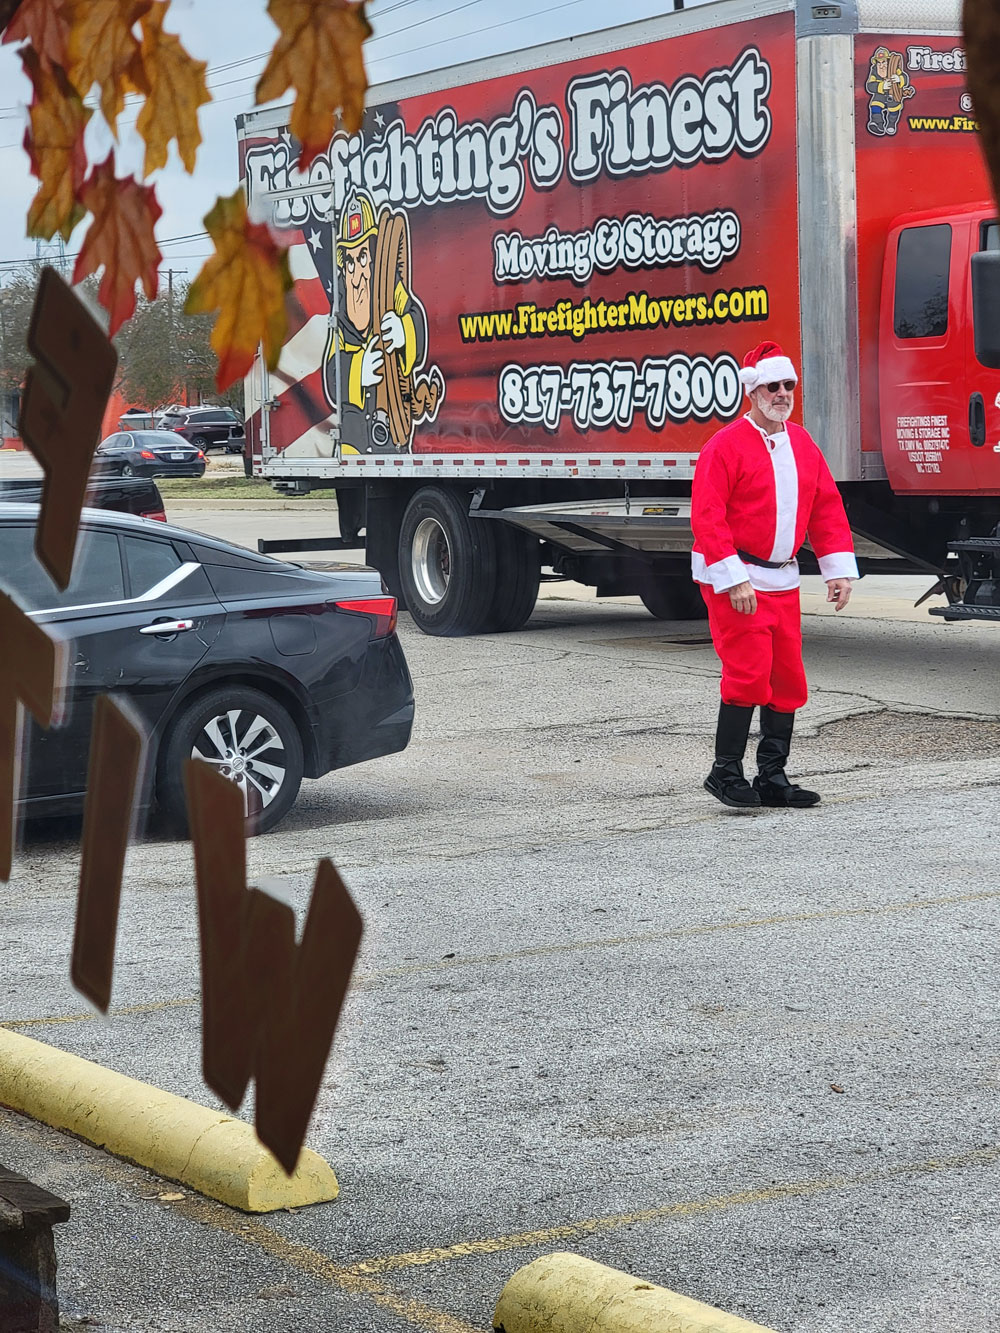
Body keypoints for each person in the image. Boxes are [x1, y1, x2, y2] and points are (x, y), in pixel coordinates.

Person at [690, 340, 858, 810]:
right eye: (773, 386)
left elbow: (826, 507)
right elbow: (707, 517)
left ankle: (772, 775)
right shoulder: (724, 447)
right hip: (737, 581)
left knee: (787, 679)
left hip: (782, 580)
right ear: (753, 391)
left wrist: (837, 570)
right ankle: (724, 773)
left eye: (788, 385)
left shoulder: (801, 442)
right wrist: (733, 577)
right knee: (747, 676)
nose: (783, 393)